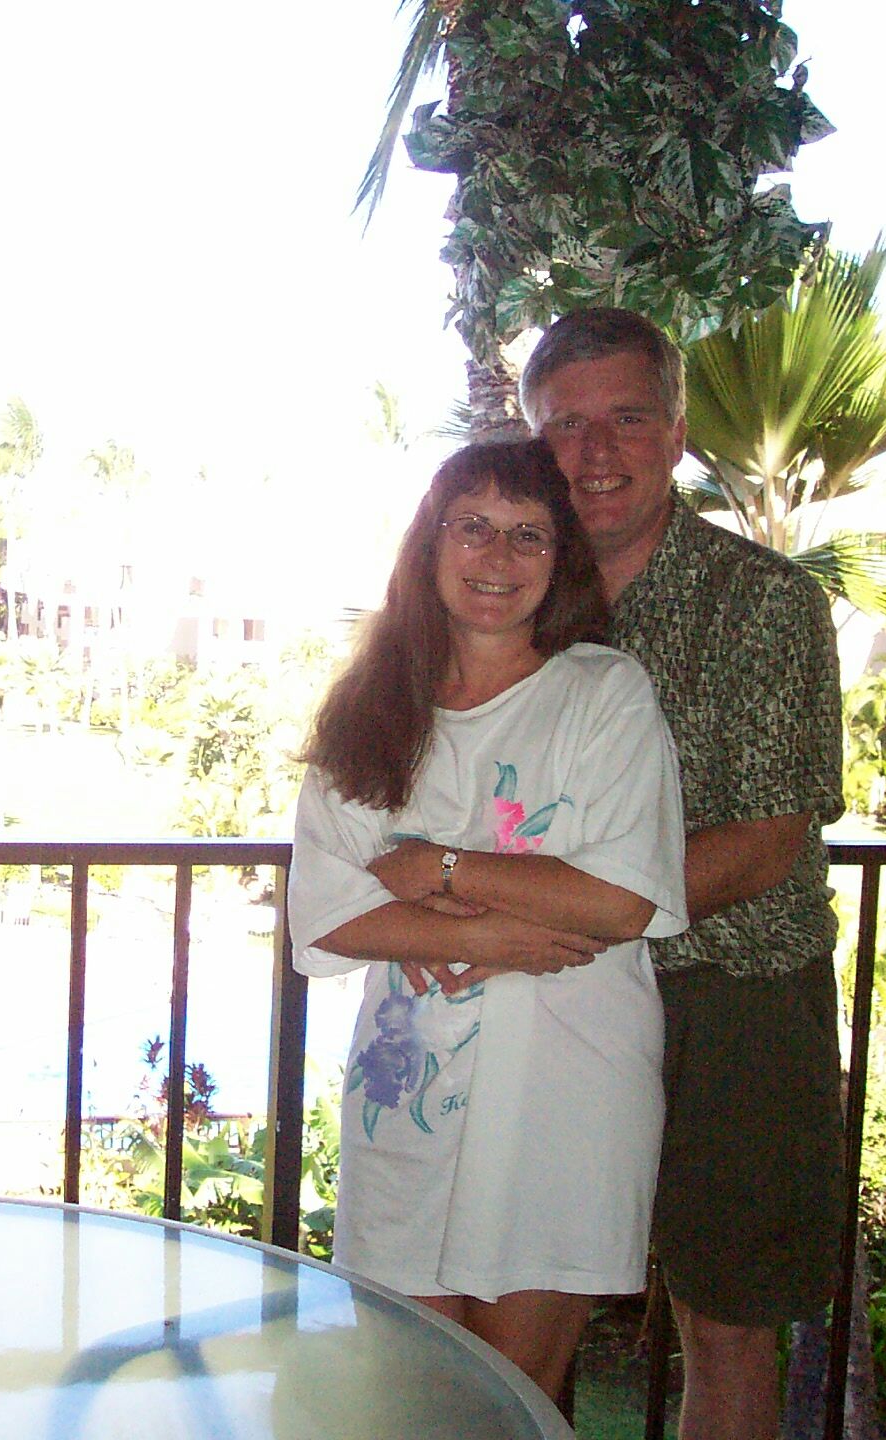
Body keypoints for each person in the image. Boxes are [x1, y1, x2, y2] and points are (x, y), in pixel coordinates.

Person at [287, 436, 688, 1401]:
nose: (497, 559)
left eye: (528, 536)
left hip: (566, 1088)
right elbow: (327, 911)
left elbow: (622, 898)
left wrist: (437, 869)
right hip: (408, 1089)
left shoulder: (605, 695)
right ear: (430, 544)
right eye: (473, 528)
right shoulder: (374, 708)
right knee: (403, 1384)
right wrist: (484, 936)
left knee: (515, 1393)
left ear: (562, 564)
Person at [520, 307, 846, 1440]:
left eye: (627, 418)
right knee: (527, 1286)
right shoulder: (517, 603)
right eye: (566, 426)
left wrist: (556, 919)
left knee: (727, 1322)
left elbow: (765, 840)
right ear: (532, 440)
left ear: (676, 430)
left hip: (736, 998)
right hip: (559, 992)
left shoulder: (763, 600)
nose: (596, 452)